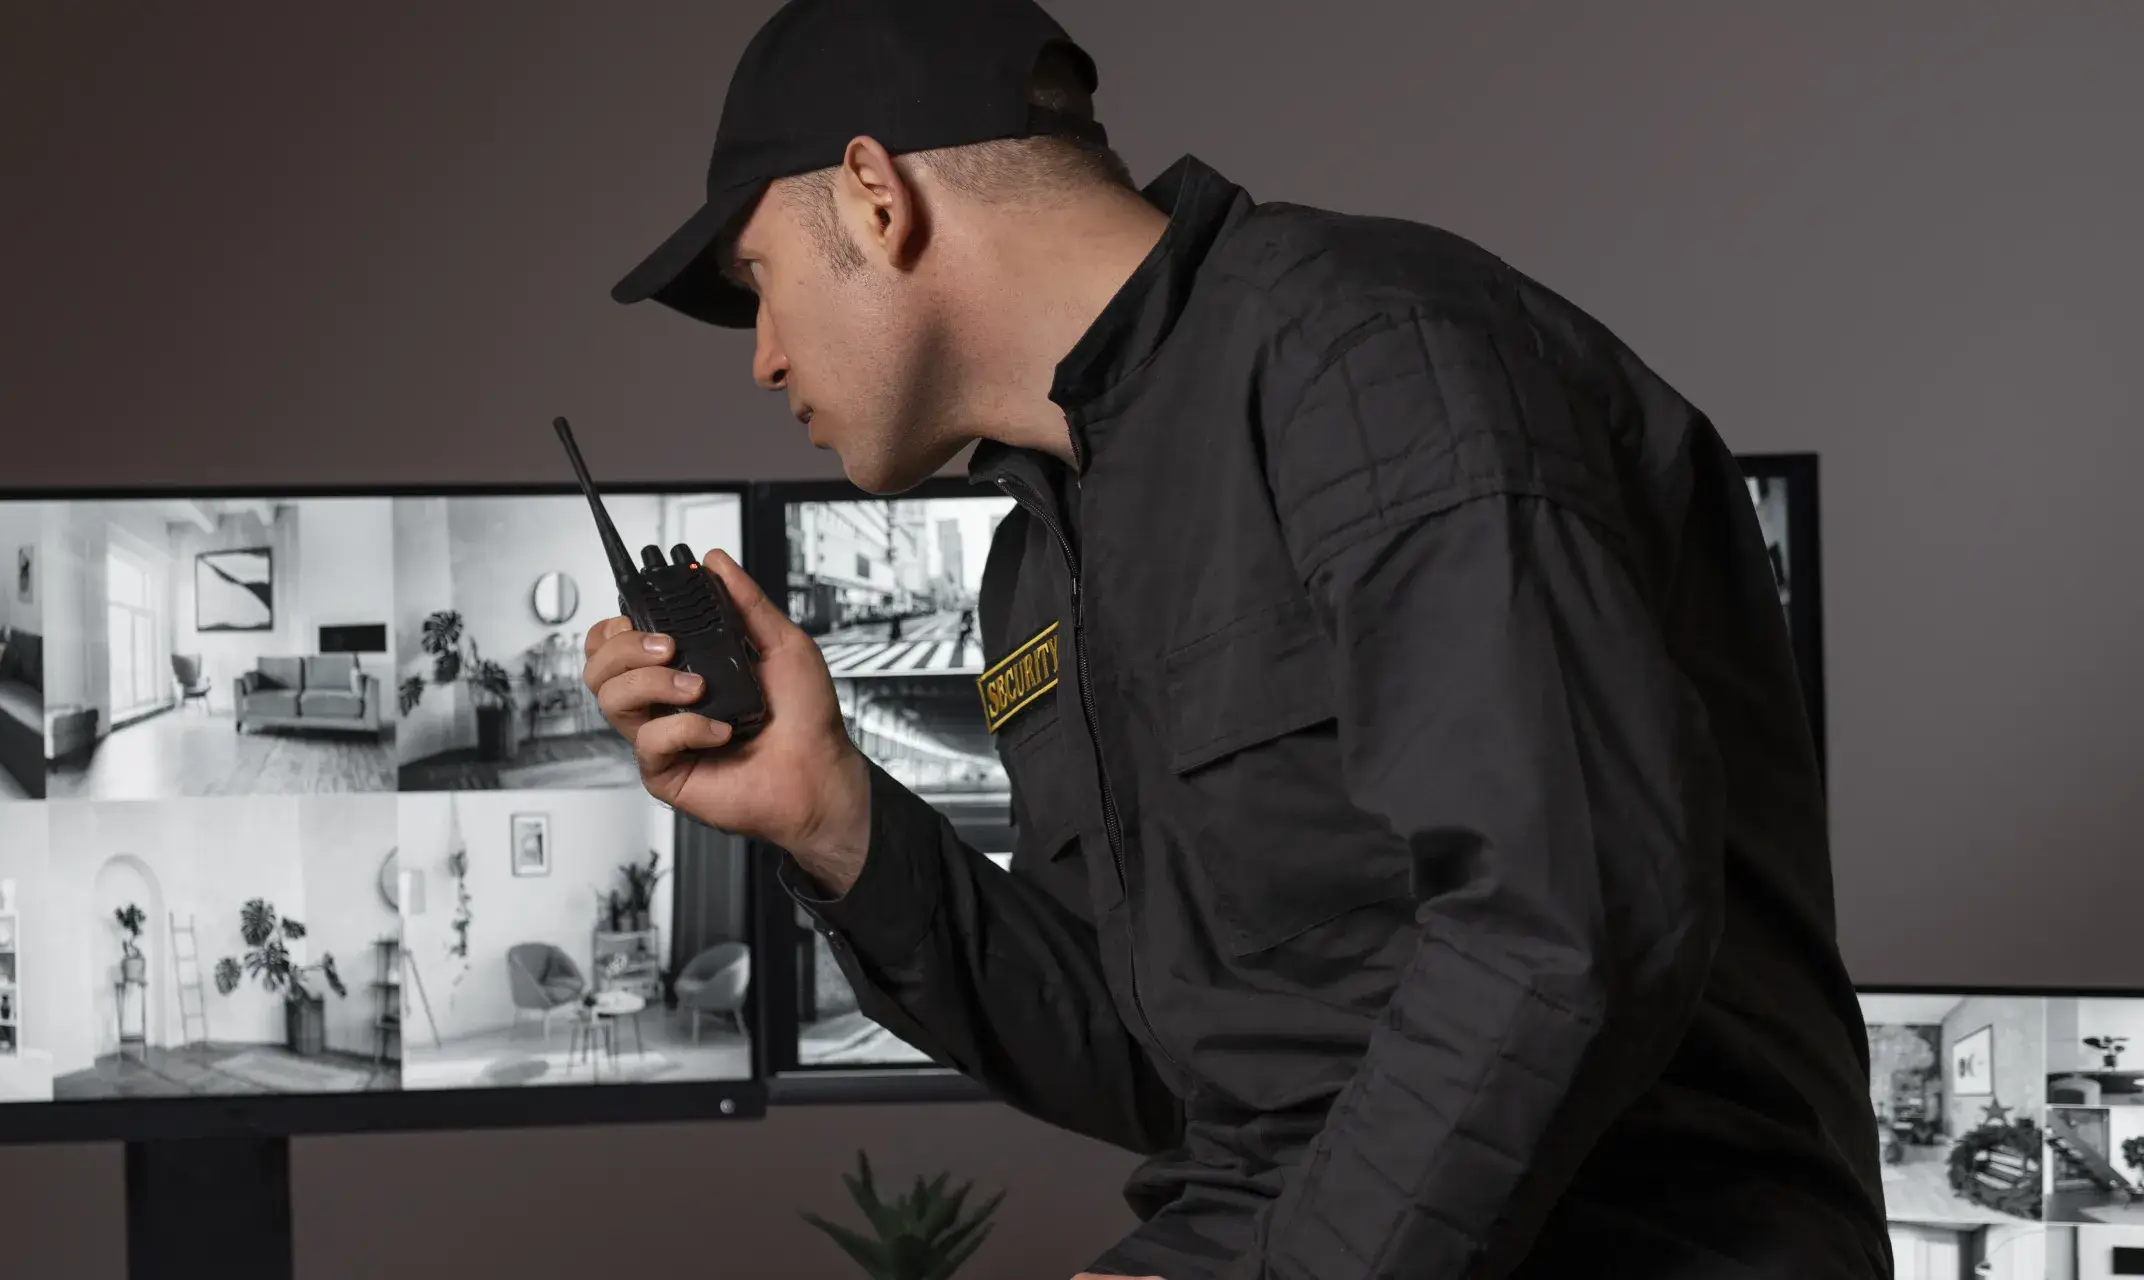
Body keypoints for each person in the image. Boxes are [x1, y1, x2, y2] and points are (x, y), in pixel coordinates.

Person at [584, 1, 1891, 1276]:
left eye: (759, 281)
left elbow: (1567, 926)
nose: (761, 358)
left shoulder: (1369, 355)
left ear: (877, 193)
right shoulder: (1035, 566)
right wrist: (831, 820)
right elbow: (1165, 1070)